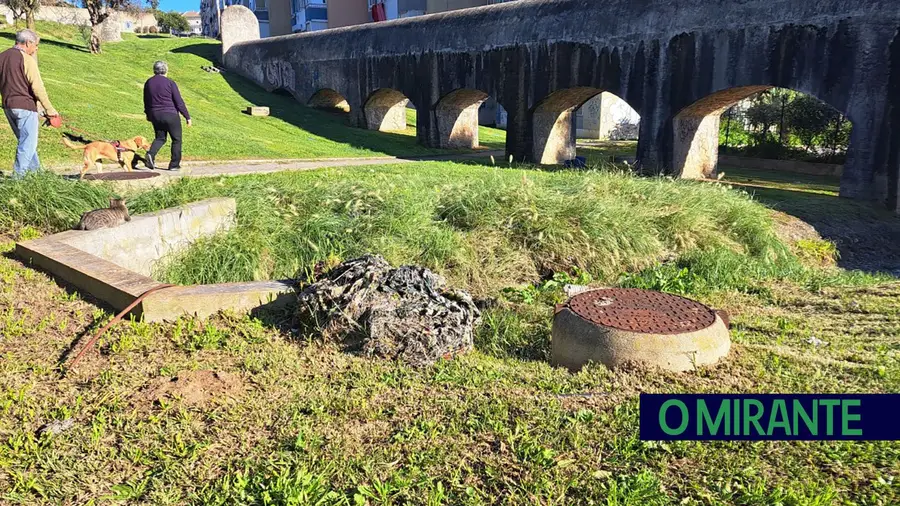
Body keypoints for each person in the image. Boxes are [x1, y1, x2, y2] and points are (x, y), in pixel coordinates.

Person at [0, 29, 59, 176]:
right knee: (27, 145)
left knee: (27, 143)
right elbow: (38, 87)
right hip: (25, 107)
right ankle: (17, 181)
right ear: (28, 43)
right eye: (36, 45)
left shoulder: (2, 57)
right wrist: (50, 110)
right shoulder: (26, 59)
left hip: (8, 106)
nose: (36, 48)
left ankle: (37, 176)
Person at [143, 61, 191, 171]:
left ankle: (151, 154)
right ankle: (174, 165)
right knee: (176, 139)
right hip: (170, 114)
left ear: (154, 70)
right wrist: (187, 116)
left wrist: (148, 114)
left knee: (160, 138)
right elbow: (179, 102)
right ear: (166, 70)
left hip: (155, 115)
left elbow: (146, 100)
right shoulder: (170, 83)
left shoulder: (148, 82)